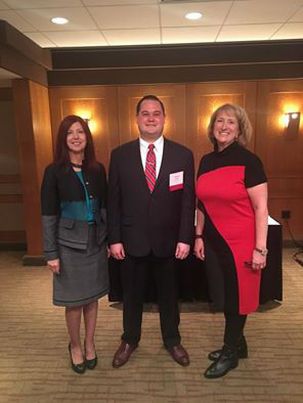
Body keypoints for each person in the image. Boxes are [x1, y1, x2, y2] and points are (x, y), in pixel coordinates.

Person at [108, 94, 195, 368]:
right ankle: (129, 339)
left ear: (164, 118)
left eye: (156, 113)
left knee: (169, 297)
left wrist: (185, 238)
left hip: (169, 243)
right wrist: (114, 239)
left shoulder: (183, 155)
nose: (151, 118)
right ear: (136, 119)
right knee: (131, 296)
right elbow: (114, 202)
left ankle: (172, 340)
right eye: (145, 113)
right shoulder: (119, 155)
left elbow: (187, 201)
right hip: (131, 241)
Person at [194, 103, 268, 379]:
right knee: (224, 297)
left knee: (239, 297)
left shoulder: (250, 161)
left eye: (231, 122)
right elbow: (201, 202)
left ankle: (230, 352)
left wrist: (260, 249)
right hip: (213, 241)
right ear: (212, 127)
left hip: (242, 242)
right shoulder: (206, 160)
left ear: (239, 130)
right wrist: (199, 235)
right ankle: (239, 343)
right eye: (219, 121)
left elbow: (261, 208)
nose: (224, 126)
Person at [41, 115, 109, 374]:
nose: (76, 137)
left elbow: (105, 207)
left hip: (95, 242)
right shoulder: (54, 171)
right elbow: (48, 214)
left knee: (92, 299)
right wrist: (51, 253)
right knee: (73, 301)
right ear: (63, 139)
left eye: (80, 131)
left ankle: (90, 343)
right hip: (68, 245)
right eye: (70, 133)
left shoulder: (97, 169)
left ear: (87, 137)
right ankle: (75, 346)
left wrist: (109, 239)